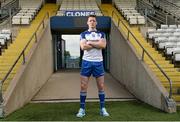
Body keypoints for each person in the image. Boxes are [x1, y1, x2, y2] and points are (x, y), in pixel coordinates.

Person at [76, 14, 109, 118]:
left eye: (94, 20)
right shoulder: (83, 34)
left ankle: (102, 108)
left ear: (96, 22)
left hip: (98, 62)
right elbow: (83, 47)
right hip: (86, 61)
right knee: (83, 86)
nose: (92, 22)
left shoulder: (102, 34)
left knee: (101, 86)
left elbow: (103, 45)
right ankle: (82, 109)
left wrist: (90, 42)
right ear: (87, 22)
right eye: (90, 20)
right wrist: (96, 44)